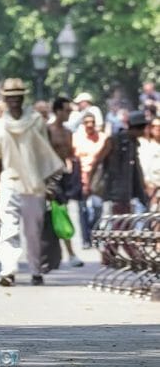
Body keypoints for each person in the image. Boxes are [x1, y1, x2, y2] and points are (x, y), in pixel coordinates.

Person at [0, 78, 63, 287]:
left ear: (23, 97)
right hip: (9, 182)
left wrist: (49, 183)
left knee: (33, 233)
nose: (15, 101)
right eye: (10, 97)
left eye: (18, 97)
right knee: (8, 229)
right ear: (5, 99)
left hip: (34, 184)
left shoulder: (36, 121)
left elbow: (45, 154)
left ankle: (36, 270)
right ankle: (8, 270)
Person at [46, 97, 83, 267]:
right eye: (67, 110)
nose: (69, 114)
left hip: (64, 178)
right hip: (48, 178)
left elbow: (69, 154)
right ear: (58, 111)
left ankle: (68, 253)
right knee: (51, 216)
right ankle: (57, 253)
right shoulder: (48, 130)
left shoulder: (68, 132)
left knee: (61, 214)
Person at [92, 111, 149, 214]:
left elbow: (136, 168)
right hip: (112, 192)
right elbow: (98, 160)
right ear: (137, 128)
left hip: (126, 194)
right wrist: (90, 182)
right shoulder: (114, 140)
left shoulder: (133, 143)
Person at [73, 113, 107, 248]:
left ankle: (95, 235)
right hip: (81, 177)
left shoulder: (102, 138)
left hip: (98, 179)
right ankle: (86, 239)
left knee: (98, 208)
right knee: (83, 209)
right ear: (83, 124)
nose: (90, 125)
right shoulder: (77, 138)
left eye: (92, 122)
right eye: (87, 122)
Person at [138, 117, 159, 208]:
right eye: (154, 126)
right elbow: (143, 167)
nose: (157, 128)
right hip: (149, 188)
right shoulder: (144, 145)